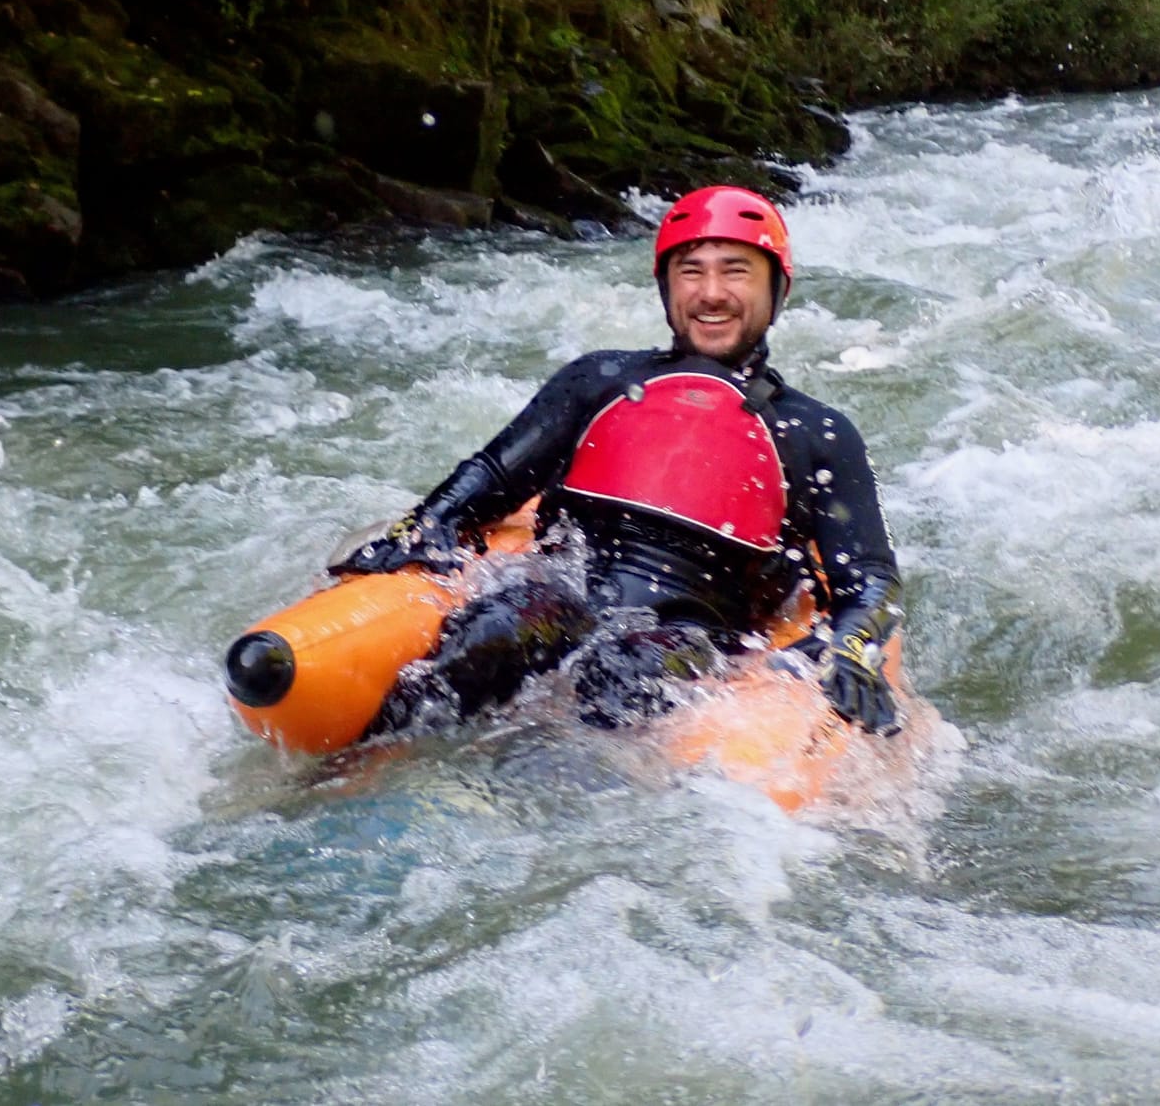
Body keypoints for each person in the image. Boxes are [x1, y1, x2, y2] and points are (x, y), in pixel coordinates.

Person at [336, 184, 905, 738]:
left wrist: (851, 648)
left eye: (736, 271)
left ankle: (548, 782)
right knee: (497, 631)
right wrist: (423, 526)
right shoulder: (600, 379)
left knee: (625, 670)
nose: (711, 293)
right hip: (562, 592)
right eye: (691, 271)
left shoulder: (816, 433)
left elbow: (870, 581)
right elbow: (495, 476)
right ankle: (368, 765)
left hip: (689, 637)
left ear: (777, 289)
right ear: (666, 287)